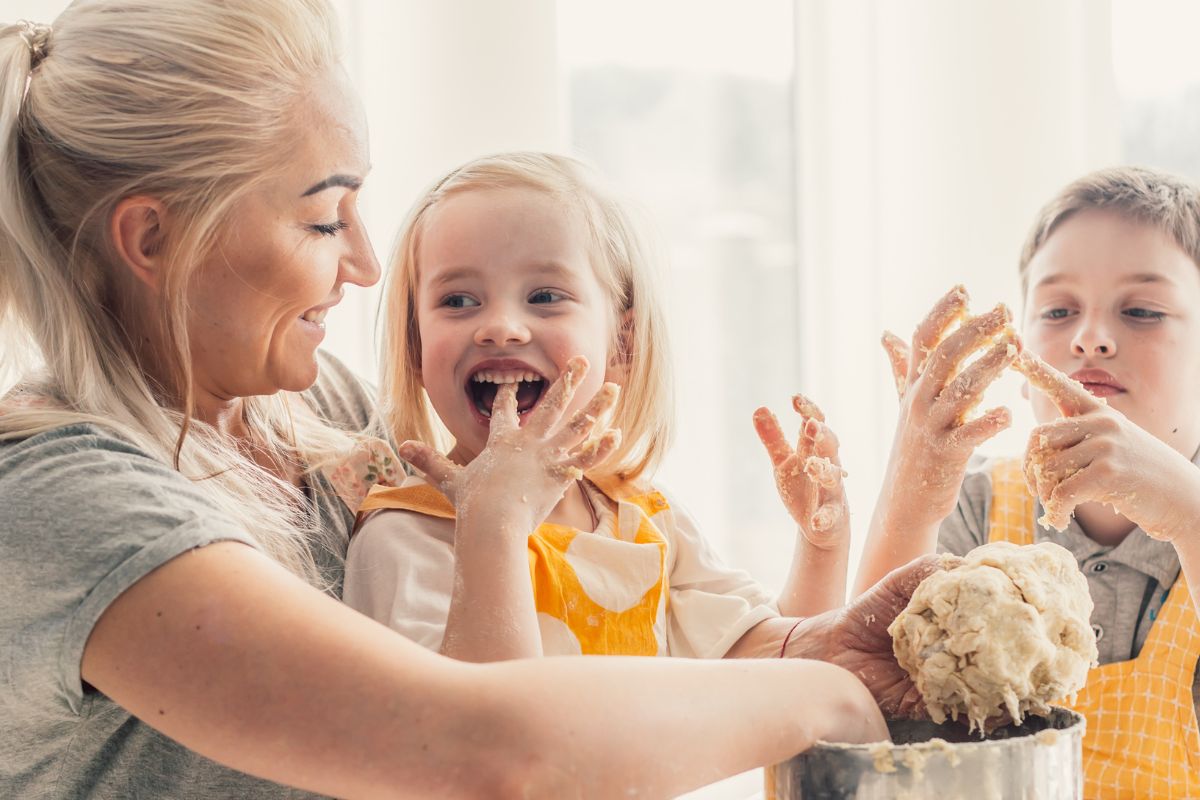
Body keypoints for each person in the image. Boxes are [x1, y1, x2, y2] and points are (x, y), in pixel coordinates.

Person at [0, 3, 941, 798]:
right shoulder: (68, 505)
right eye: (325, 219)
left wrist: (822, 636)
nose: (368, 266)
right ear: (154, 239)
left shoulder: (308, 406)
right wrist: (834, 692)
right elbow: (487, 752)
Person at [342, 152, 852, 663]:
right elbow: (477, 727)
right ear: (415, 347)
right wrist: (494, 524)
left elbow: (783, 672)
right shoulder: (404, 537)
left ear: (621, 346)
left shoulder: (646, 519)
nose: (500, 326)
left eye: (543, 296)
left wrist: (821, 548)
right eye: (457, 301)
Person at [857, 167, 1200, 797]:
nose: (1092, 338)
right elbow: (874, 723)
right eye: (1058, 310)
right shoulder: (976, 508)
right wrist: (911, 496)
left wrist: (1187, 513)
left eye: (1143, 312)